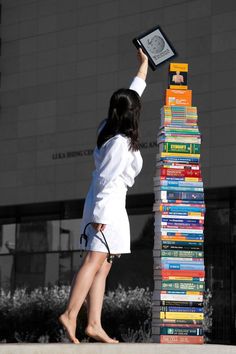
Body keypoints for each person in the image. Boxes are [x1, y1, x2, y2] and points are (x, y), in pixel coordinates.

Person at [59, 48, 149, 344]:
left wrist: (143, 66)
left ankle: (94, 324)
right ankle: (71, 314)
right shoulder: (120, 143)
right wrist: (99, 216)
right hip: (107, 204)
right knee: (94, 260)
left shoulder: (107, 127)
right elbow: (106, 180)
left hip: (111, 203)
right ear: (131, 114)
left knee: (104, 264)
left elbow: (133, 95)